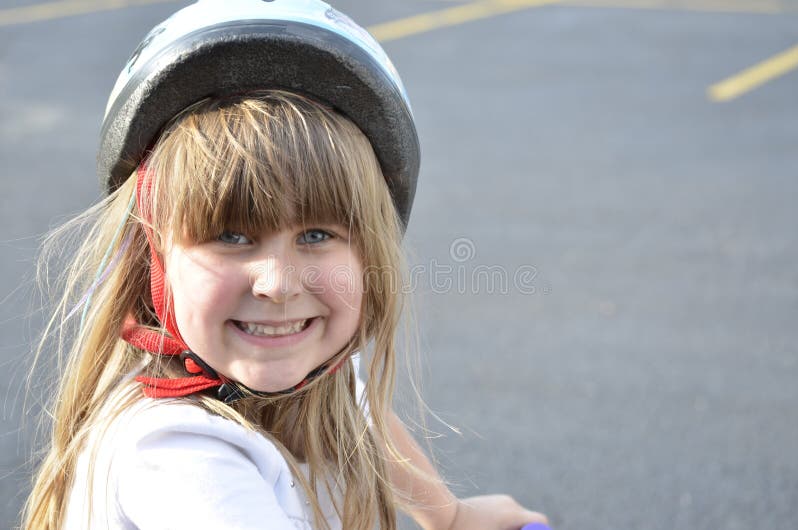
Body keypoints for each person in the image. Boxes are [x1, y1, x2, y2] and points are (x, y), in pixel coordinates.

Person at [22, 1, 549, 529]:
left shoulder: (298, 357)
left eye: (317, 235)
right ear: (151, 258)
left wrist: (449, 516)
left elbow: (354, 408)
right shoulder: (180, 459)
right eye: (230, 236)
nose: (277, 284)